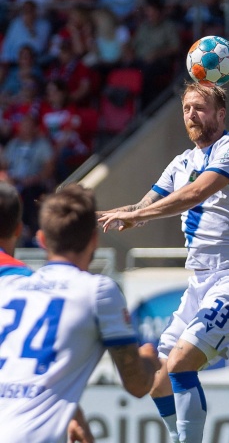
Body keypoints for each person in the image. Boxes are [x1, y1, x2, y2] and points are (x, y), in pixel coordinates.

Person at [97, 81, 229, 442]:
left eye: (200, 108)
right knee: (159, 376)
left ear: (220, 115)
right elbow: (144, 208)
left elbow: (194, 193)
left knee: (180, 363)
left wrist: (137, 215)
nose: (191, 114)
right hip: (201, 281)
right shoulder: (181, 163)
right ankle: (179, 437)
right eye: (187, 108)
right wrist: (110, 213)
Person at [0, 183, 161, 443]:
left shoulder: (11, 288)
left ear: (41, 240)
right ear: (94, 240)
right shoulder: (98, 291)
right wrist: (151, 359)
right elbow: (137, 384)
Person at [1, 113, 54, 246]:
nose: (23, 128)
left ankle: (30, 233)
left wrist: (33, 179)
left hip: (34, 184)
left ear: (35, 128)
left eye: (27, 126)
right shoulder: (13, 144)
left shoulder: (42, 144)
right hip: (14, 183)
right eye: (22, 125)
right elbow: (5, 165)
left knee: (30, 195)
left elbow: (48, 168)